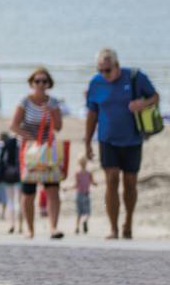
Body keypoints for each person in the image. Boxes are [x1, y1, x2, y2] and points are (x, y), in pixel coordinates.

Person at [83, 47, 159, 241]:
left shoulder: (135, 77)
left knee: (130, 183)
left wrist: (143, 103)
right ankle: (113, 228)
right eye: (100, 70)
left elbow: (155, 97)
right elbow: (92, 114)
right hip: (107, 139)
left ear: (117, 65)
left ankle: (129, 223)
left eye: (107, 70)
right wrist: (87, 142)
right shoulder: (95, 83)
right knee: (111, 179)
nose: (104, 74)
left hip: (133, 139)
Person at [11, 66, 66, 240]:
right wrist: (30, 139)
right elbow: (13, 126)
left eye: (44, 81)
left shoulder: (53, 102)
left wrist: (52, 112)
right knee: (28, 191)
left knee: (52, 189)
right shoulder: (24, 101)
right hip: (29, 152)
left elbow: (58, 127)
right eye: (37, 81)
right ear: (31, 83)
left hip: (48, 150)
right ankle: (29, 228)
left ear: (49, 83)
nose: (41, 84)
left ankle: (53, 227)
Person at [73, 162, 94, 235]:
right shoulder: (89, 173)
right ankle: (85, 220)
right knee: (87, 212)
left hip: (78, 194)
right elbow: (93, 182)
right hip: (86, 194)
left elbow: (75, 185)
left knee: (79, 213)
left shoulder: (77, 173)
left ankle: (77, 227)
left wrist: (67, 188)